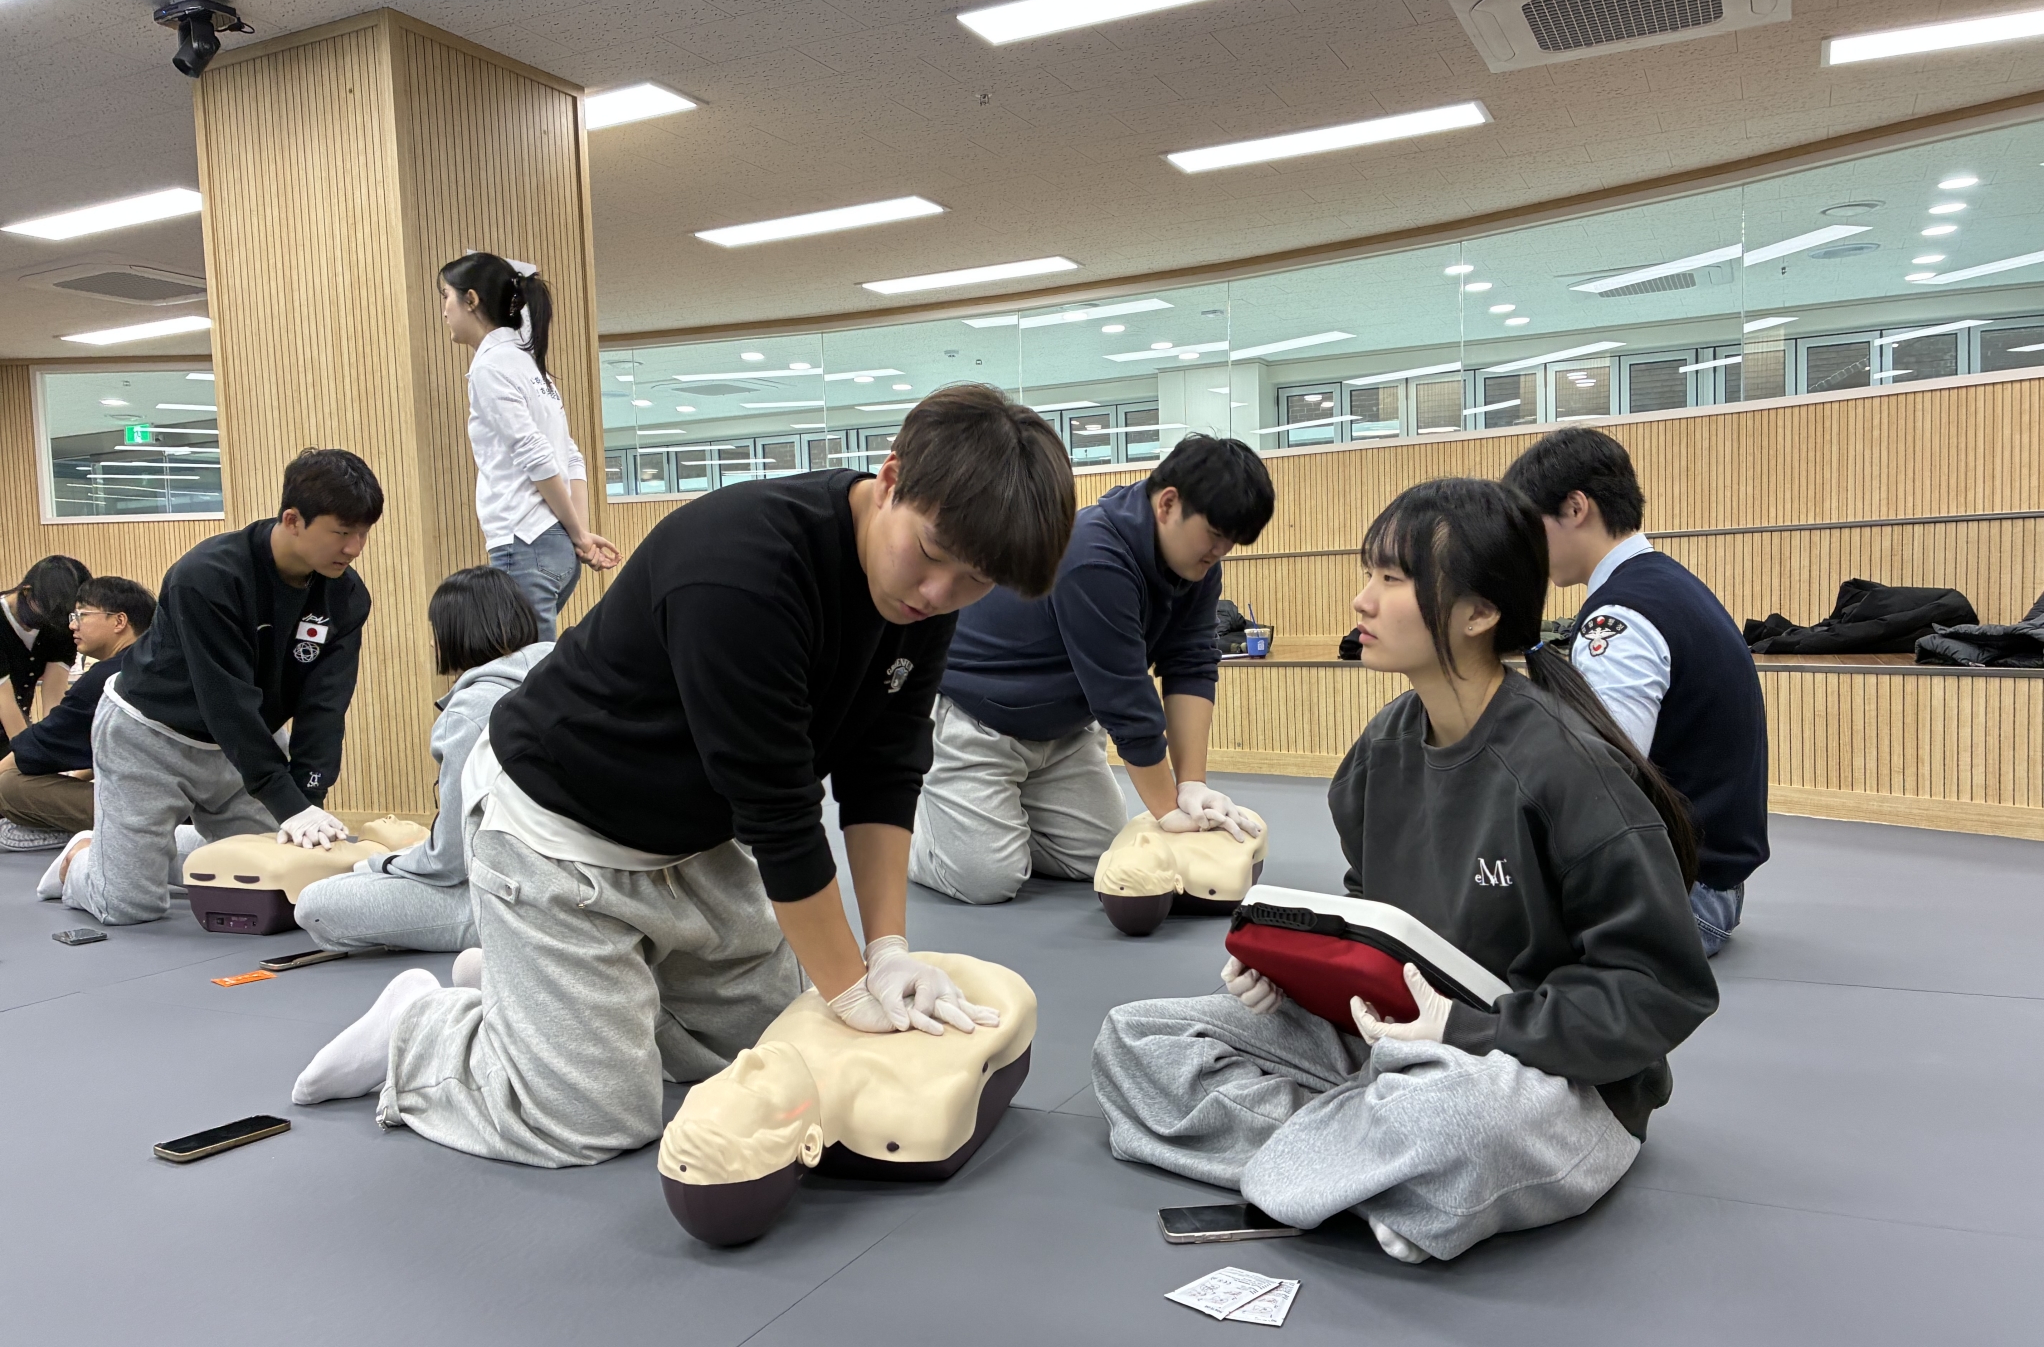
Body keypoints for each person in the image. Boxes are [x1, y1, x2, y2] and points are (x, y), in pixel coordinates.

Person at [289, 385, 1077, 1173]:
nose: (940, 595)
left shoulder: (921, 600)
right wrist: (849, 989)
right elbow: (781, 815)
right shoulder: (745, 569)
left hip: (692, 840)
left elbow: (886, 767)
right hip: (559, 827)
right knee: (595, 1117)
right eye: (932, 555)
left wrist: (889, 949)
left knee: (774, 1053)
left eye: (974, 582)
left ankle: (536, 997)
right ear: (892, 478)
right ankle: (425, 1030)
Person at [1093, 478, 1718, 1264]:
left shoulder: (1569, 771)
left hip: (1539, 1070)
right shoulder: (1380, 751)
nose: (1363, 600)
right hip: (1392, 1036)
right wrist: (1296, 976)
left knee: (1454, 1125)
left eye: (1391, 578)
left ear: (1479, 612)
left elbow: (1660, 990)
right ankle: (1365, 1165)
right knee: (1135, 1040)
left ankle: (1359, 1148)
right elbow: (1376, 919)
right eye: (1370, 574)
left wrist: (1466, 1030)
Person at [909, 434, 1276, 906]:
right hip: (976, 718)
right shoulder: (1092, 554)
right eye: (1215, 535)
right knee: (987, 881)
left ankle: (990, 818)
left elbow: (1190, 663)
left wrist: (1192, 786)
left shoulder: (1198, 567)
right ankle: (931, 828)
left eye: (1231, 543)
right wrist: (1169, 813)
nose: (1220, 551)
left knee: (1099, 858)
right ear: (1167, 504)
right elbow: (1124, 698)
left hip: (1062, 735)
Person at [48, 449, 380, 926]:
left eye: (364, 533)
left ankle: (152, 847)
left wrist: (308, 801)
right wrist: (284, 800)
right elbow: (226, 701)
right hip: (149, 738)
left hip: (241, 746)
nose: (355, 548)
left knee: (283, 879)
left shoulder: (345, 595)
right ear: (292, 520)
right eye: (342, 532)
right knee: (129, 907)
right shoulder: (207, 577)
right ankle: (83, 856)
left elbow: (325, 705)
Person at [1501, 427, 1768, 957]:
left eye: (1530, 527)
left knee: (1466, 916)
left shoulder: (1620, 618)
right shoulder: (1665, 583)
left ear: (1575, 507)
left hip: (1684, 900)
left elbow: (1599, 787)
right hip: (1709, 884)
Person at [294, 566, 551, 957]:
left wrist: (381, 864)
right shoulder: (562, 682)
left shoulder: (471, 711)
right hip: (586, 887)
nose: (432, 643)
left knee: (316, 903)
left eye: (435, 630)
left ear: (457, 632)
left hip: (520, 903)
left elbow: (449, 861)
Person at [439, 250, 618, 639]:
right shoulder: (532, 367)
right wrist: (578, 534)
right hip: (554, 546)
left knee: (526, 668)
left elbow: (537, 456)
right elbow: (570, 456)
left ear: (471, 300)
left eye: (446, 296)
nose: (444, 311)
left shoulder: (491, 367)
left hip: (524, 542)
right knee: (532, 663)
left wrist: (579, 535)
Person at [0, 576, 155, 851]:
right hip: (200, 799)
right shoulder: (162, 662)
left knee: (9, 785)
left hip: (148, 812)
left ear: (119, 621)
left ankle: (75, 829)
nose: (72, 625)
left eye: (81, 615)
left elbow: (37, 747)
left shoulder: (107, 678)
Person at [0, 555, 91, 753]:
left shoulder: (61, 624)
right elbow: (4, 702)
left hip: (13, 733)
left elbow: (54, 697)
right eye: (49, 611)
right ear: (26, 591)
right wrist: (31, 754)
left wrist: (54, 747)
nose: (58, 624)